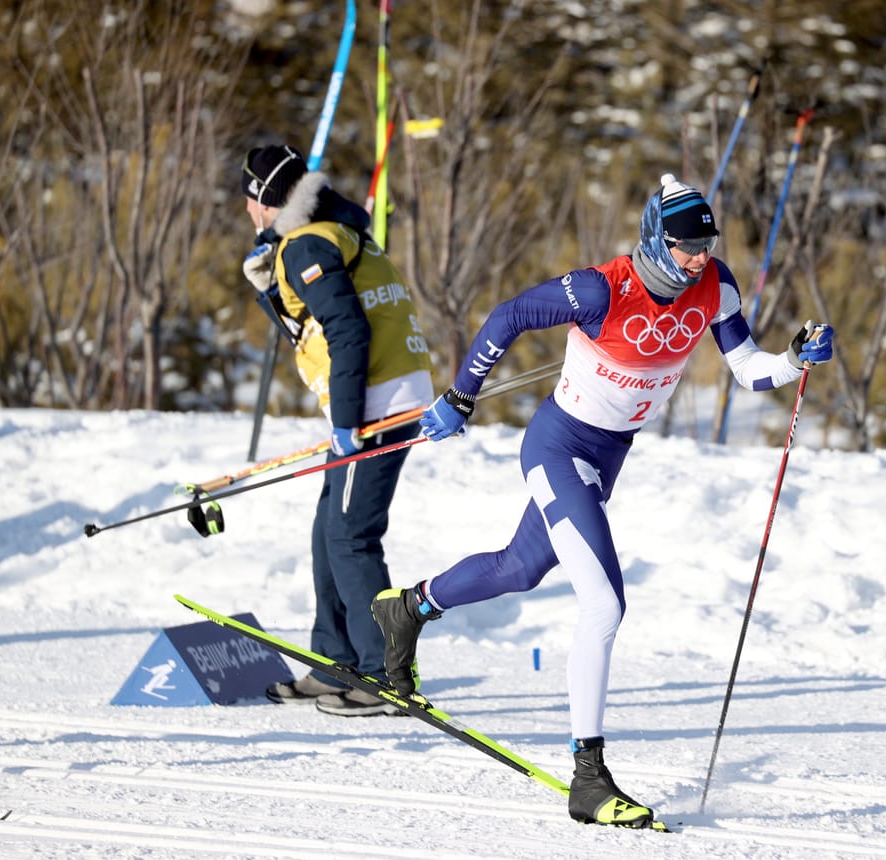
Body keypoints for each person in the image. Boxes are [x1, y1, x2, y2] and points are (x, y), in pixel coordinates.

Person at [371, 173, 835, 825]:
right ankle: (588, 777)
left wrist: (795, 358)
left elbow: (748, 368)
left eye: (705, 244)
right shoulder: (602, 288)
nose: (697, 257)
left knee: (521, 568)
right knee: (604, 604)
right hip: (559, 449)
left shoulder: (716, 286)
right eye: (683, 246)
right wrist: (460, 397)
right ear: (655, 237)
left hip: (606, 456)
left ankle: (411, 606)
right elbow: (509, 317)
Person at [239, 144, 434, 717]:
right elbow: (318, 324)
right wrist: (270, 290)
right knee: (330, 530)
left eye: (249, 199)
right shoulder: (330, 234)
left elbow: (347, 331)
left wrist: (350, 422)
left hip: (374, 406)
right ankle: (336, 660)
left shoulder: (305, 244)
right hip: (376, 398)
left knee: (352, 537)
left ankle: (382, 676)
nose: (247, 210)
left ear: (264, 201)